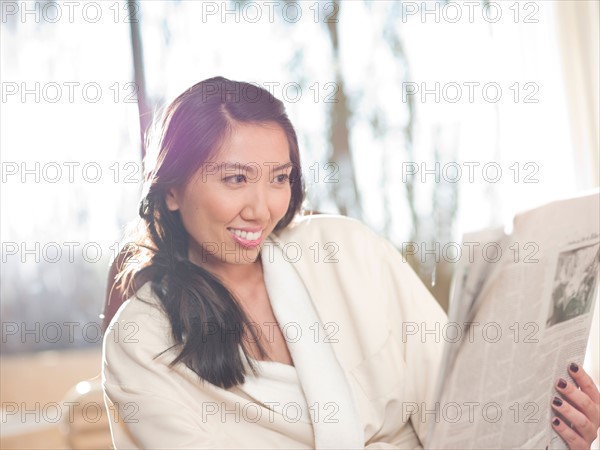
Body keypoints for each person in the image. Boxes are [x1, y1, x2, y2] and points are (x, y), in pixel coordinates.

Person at [102, 77, 600, 449]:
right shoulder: (140, 341)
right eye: (235, 179)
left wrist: (558, 436)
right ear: (171, 189)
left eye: (278, 178)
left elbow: (458, 414)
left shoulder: (345, 250)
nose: (261, 208)